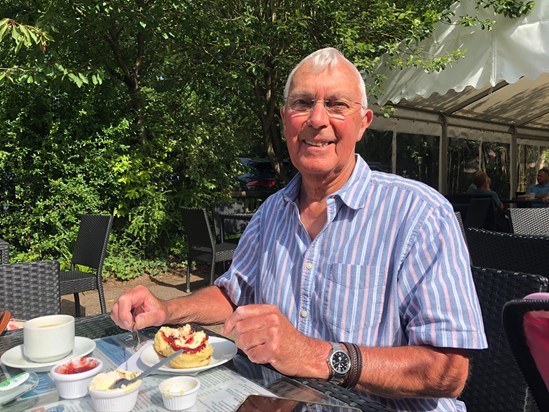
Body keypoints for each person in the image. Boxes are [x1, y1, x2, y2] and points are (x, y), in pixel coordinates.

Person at [111, 48, 487, 411]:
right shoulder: (272, 211)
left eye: (337, 104)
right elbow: (232, 295)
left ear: (363, 122)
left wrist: (315, 355)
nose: (317, 119)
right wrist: (167, 309)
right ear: (285, 118)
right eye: (303, 103)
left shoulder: (419, 214)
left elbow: (448, 371)